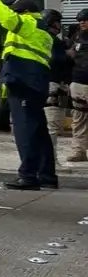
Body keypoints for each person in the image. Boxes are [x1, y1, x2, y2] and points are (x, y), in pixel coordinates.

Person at [0, 0, 56, 190]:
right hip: (33, 83)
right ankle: (47, 176)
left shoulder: (29, 23)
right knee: (38, 132)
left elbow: (8, 19)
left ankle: (28, 176)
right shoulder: (41, 29)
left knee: (25, 131)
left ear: (22, 12)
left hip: (24, 84)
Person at [40, 9, 71, 161]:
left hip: (42, 84)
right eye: (58, 22)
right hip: (53, 85)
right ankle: (50, 161)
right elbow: (59, 61)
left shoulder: (39, 38)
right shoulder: (54, 42)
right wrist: (68, 53)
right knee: (52, 126)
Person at [64, 8, 88, 162]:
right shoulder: (76, 37)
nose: (82, 22)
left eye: (85, 19)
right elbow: (70, 56)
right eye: (80, 20)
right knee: (79, 118)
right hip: (79, 82)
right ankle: (79, 151)